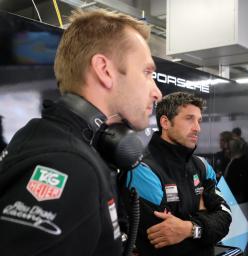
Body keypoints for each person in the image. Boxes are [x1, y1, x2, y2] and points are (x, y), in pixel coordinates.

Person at [0, 10, 162, 256]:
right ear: (104, 70)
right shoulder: (70, 166)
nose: (157, 92)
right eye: (147, 73)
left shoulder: (45, 138)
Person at [126, 92, 232, 256]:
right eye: (189, 119)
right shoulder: (142, 168)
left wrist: (189, 229)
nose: (197, 128)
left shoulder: (202, 167)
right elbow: (163, 241)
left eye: (199, 121)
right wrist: (204, 215)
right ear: (165, 122)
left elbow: (225, 218)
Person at [224, 137, 248, 203]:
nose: (226, 151)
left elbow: (237, 184)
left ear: (232, 149)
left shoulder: (236, 164)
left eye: (228, 148)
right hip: (242, 200)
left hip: (237, 200)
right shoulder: (243, 162)